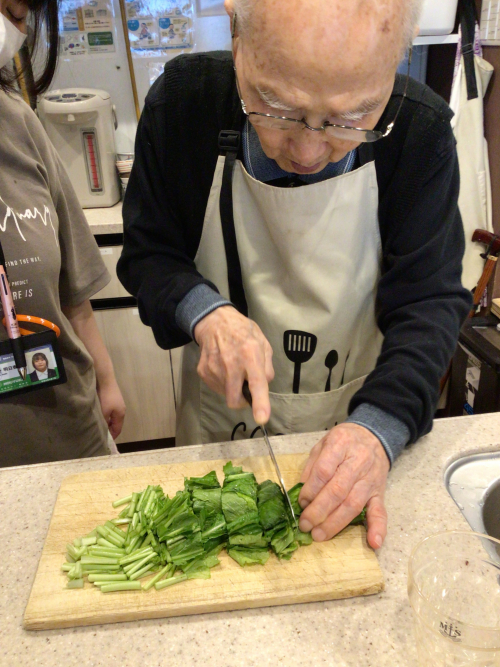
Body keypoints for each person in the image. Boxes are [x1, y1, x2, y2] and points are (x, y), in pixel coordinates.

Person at [117, 0, 472, 549]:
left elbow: (429, 304)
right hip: (219, 435)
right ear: (237, 36)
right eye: (278, 107)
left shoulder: (419, 134)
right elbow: (149, 253)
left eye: (352, 117)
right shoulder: (183, 104)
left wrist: (378, 430)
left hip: (359, 427)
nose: (308, 151)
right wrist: (205, 313)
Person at [0, 0, 126, 466]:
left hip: (68, 423)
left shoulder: (19, 121)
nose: (8, 29)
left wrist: (107, 383)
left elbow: (74, 292)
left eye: (15, 16)